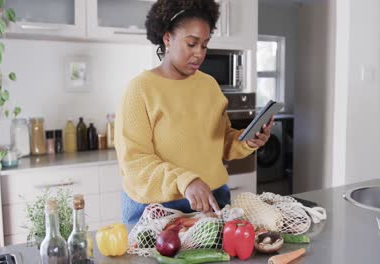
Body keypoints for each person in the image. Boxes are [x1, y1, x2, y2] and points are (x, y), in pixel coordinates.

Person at [115, 0, 274, 225]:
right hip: (158, 208)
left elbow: (220, 141)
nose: (199, 54)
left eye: (204, 45)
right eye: (191, 44)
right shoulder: (140, 89)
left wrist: (248, 141)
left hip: (212, 199)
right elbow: (135, 162)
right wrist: (186, 181)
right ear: (167, 38)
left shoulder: (209, 85)